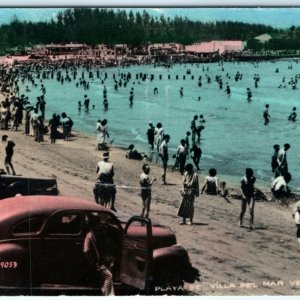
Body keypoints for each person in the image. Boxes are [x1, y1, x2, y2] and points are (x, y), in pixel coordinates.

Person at [83, 216, 114, 295]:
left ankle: (104, 290)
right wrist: (95, 264)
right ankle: (106, 294)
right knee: (109, 276)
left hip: (99, 261)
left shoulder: (95, 235)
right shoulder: (89, 236)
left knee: (110, 267)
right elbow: (86, 251)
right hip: (95, 264)